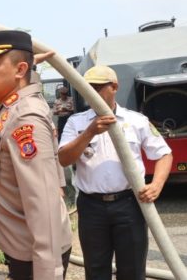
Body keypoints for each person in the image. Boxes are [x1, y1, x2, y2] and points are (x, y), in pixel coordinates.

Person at [0, 30, 72, 279]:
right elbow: (29, 83)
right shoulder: (13, 105)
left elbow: (43, 204)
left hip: (36, 256)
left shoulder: (25, 118)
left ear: (19, 70)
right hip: (22, 246)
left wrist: (48, 273)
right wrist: (31, 67)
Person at [58, 65, 173, 280]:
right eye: (89, 88)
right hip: (92, 207)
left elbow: (164, 154)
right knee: (96, 268)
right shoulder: (77, 122)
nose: (93, 93)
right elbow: (64, 158)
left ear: (115, 87)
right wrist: (90, 131)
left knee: (132, 269)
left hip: (129, 204)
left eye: (99, 87)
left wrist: (156, 185)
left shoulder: (136, 120)